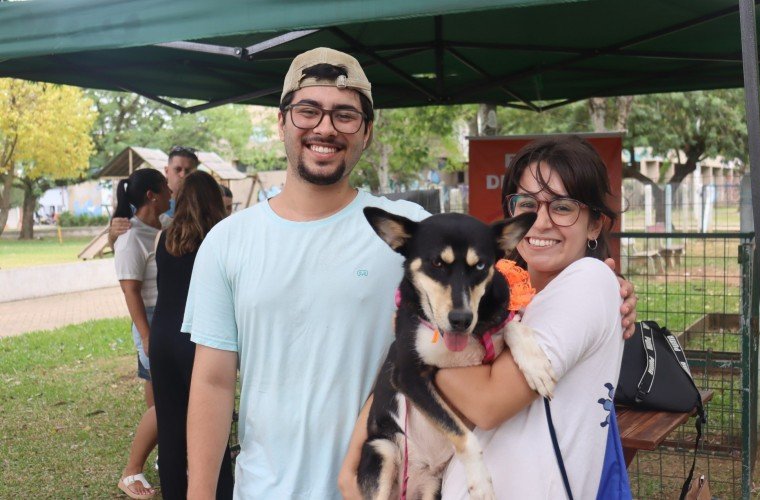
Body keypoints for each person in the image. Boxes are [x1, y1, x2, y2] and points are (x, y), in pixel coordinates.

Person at [183, 47, 638, 499]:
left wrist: (602, 287)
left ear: (367, 131)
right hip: (266, 488)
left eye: (345, 115)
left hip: (389, 482)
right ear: (281, 121)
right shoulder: (228, 241)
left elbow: (490, 279)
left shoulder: (413, 232)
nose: (325, 128)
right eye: (307, 111)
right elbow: (212, 381)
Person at [435, 136, 632, 498]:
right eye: (527, 204)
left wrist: (418, 352)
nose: (539, 222)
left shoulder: (589, 280)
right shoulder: (510, 298)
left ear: (594, 225)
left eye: (562, 207)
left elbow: (488, 403)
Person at [149, 171, 233, 499]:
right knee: (213, 429)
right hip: (199, 339)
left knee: (170, 430)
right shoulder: (221, 237)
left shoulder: (164, 237)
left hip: (162, 339)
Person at [112, 168, 171, 500]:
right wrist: (147, 336)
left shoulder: (160, 229)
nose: (171, 194)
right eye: (165, 188)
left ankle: (168, 458)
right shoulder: (131, 237)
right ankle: (130, 472)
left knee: (163, 400)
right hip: (150, 322)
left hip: (167, 320)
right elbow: (130, 291)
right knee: (166, 402)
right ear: (152, 194)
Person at [109, 146, 199, 244]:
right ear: (166, 170)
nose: (183, 175)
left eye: (188, 171)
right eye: (178, 169)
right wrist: (114, 233)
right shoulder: (138, 206)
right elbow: (114, 244)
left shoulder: (203, 204)